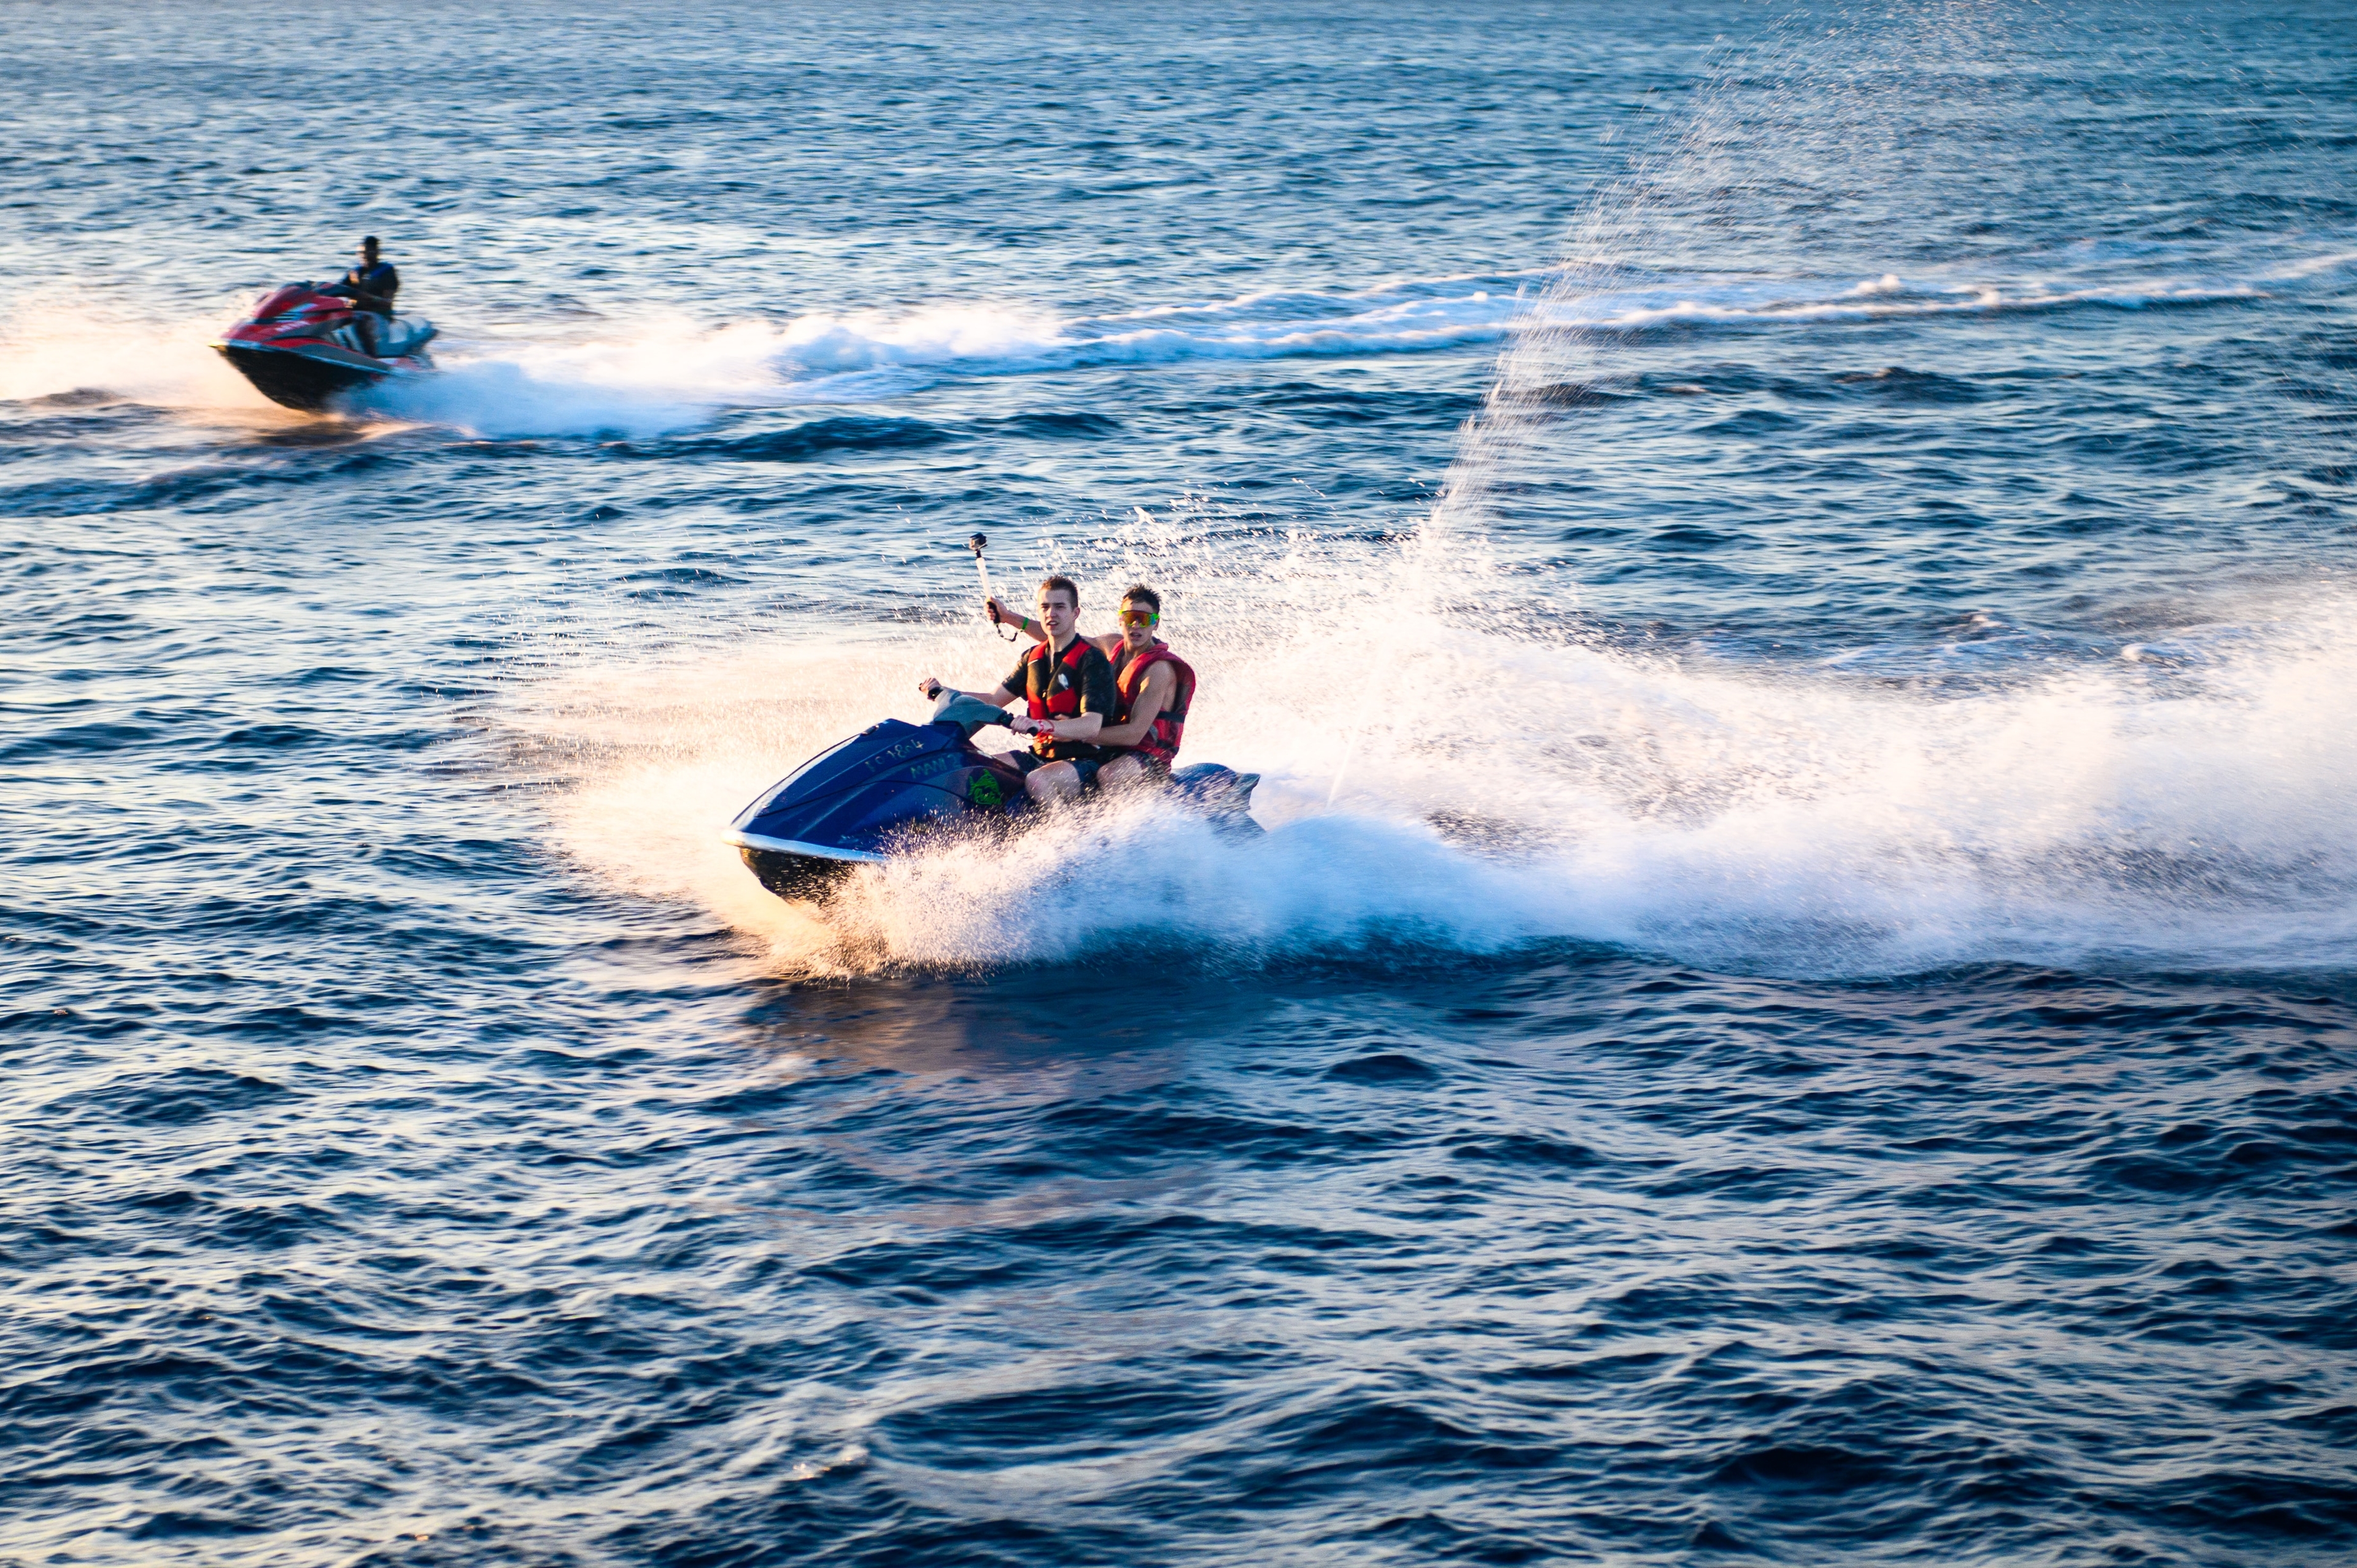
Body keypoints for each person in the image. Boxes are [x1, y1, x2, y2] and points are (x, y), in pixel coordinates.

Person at [919, 575, 1116, 803]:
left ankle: (1068, 836)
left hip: (1084, 761)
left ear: (1075, 613)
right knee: (970, 770)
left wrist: (1039, 725)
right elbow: (993, 700)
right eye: (1045, 607)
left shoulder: (1092, 661)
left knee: (1038, 781)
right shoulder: (1032, 658)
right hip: (1038, 756)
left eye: (1060, 607)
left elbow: (1091, 726)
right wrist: (945, 693)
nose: (1051, 613)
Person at [989, 583, 1193, 789]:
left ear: (1155, 624)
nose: (1137, 626)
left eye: (1145, 620)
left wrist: (1074, 733)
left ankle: (1116, 821)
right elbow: (1059, 638)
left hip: (1147, 753)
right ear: (1121, 619)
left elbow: (1135, 734)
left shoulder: (1159, 670)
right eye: (1131, 618)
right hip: (1108, 744)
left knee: (1109, 775)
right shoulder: (1111, 645)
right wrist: (1008, 618)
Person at [322, 236, 400, 355]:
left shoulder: (387, 272)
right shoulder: (355, 274)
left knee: (362, 322)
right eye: (362, 253)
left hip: (379, 316)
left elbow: (387, 302)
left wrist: (367, 298)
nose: (365, 256)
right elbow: (339, 288)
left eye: (369, 252)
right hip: (354, 314)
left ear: (378, 252)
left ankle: (372, 361)